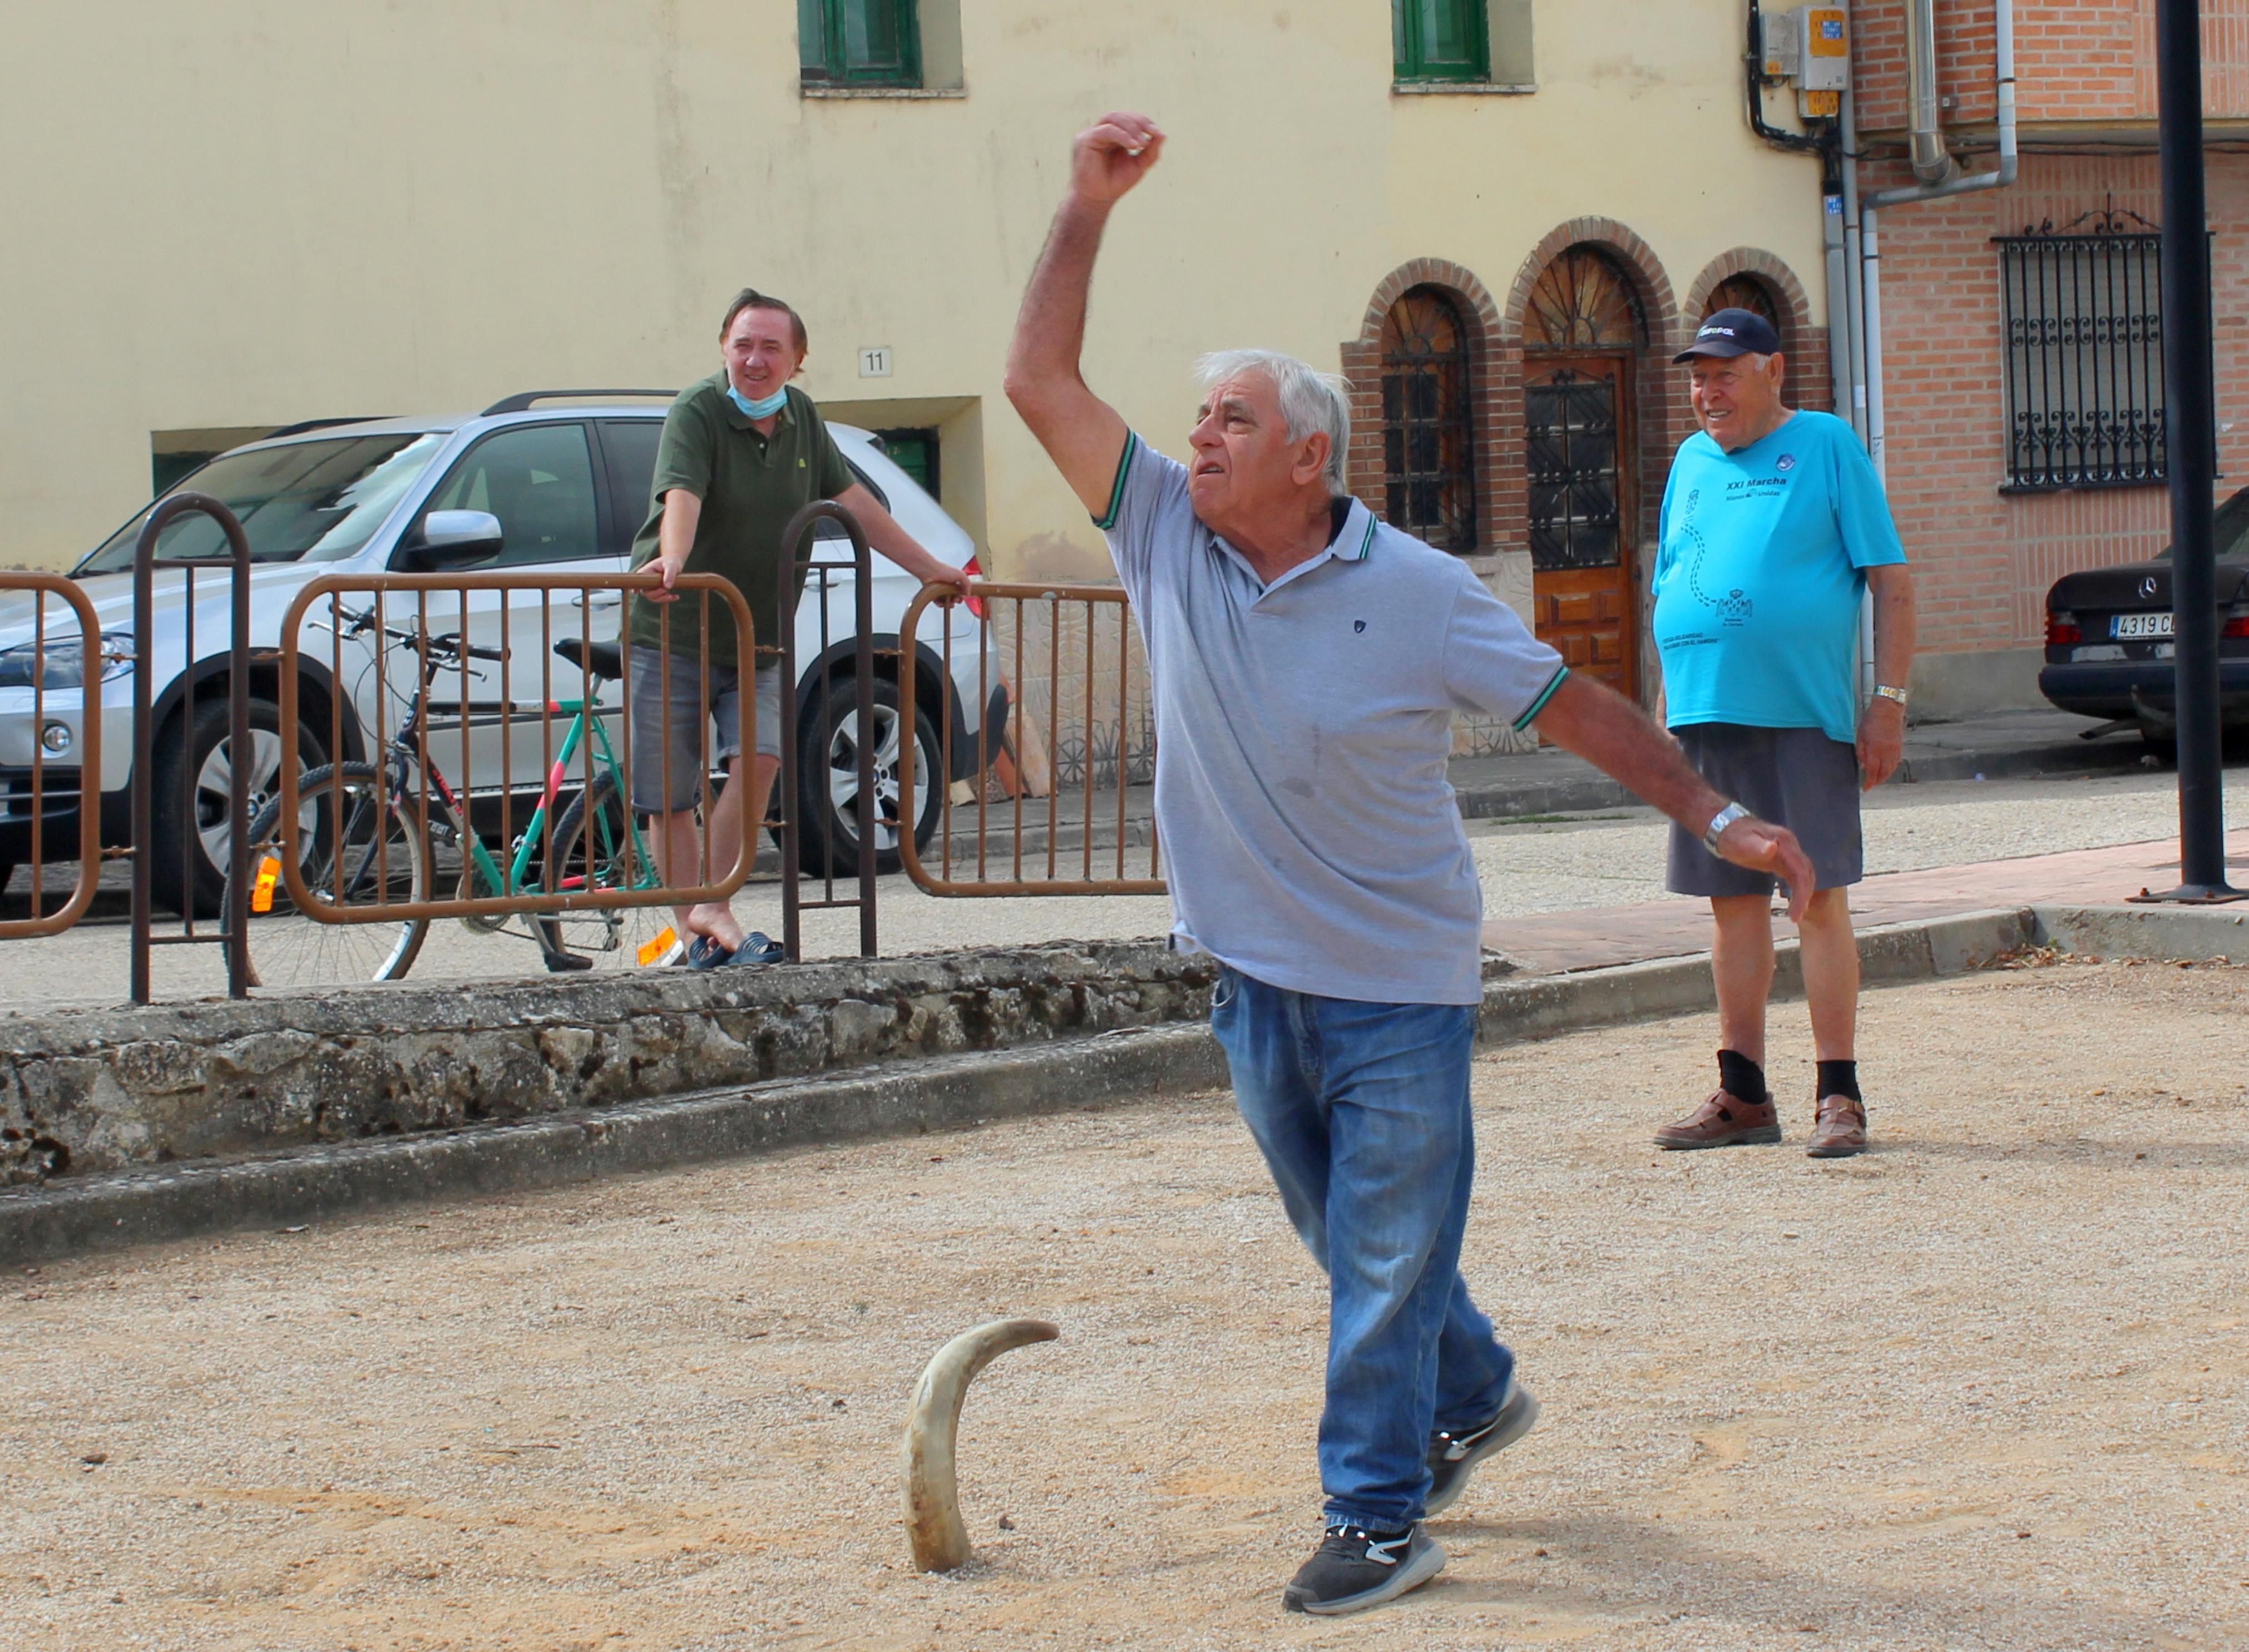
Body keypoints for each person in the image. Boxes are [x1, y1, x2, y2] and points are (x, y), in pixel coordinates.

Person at [1004, 112, 1817, 1618]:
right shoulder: (1166, 539)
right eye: (1200, 423)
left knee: (1378, 1263)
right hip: (1254, 984)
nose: (1200, 443)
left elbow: (1578, 708)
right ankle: (1481, 1391)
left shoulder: (1421, 594)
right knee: (1356, 1246)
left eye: (1230, 423)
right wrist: (1081, 208)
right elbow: (1036, 381)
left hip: (1398, 989)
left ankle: (1374, 1517)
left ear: (1308, 454)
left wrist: (1717, 820)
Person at [628, 289, 969, 967]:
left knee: (758, 762)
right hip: (674, 624)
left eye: (770, 348)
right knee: (668, 794)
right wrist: (672, 557)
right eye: (742, 345)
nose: (753, 361)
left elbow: (855, 506)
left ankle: (714, 905)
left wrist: (935, 569)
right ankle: (694, 933)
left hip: (759, 632)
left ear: (797, 360)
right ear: (723, 347)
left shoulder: (802, 420)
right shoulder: (697, 411)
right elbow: (682, 495)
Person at [1649, 308, 1917, 1159]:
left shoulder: (1826, 445)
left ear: (1772, 370)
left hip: (1802, 713)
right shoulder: (1689, 462)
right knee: (1729, 908)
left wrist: (1887, 699)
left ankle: (1838, 1095)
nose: (1706, 390)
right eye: (1697, 376)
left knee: (1817, 899)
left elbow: (1891, 581)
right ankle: (1741, 1093)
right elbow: (1670, 580)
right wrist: (1662, 703)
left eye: (1723, 373)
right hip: (1703, 712)